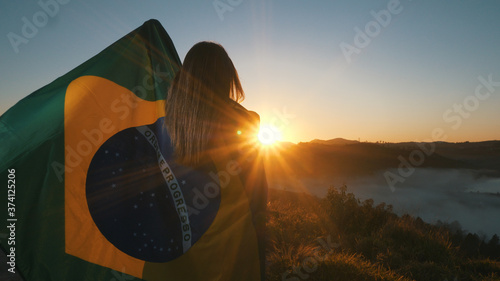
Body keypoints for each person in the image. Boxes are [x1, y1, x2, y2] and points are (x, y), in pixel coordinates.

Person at [164, 41, 268, 280]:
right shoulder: (244, 121)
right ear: (225, 79)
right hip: (233, 244)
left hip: (182, 241)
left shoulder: (164, 124)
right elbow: (257, 192)